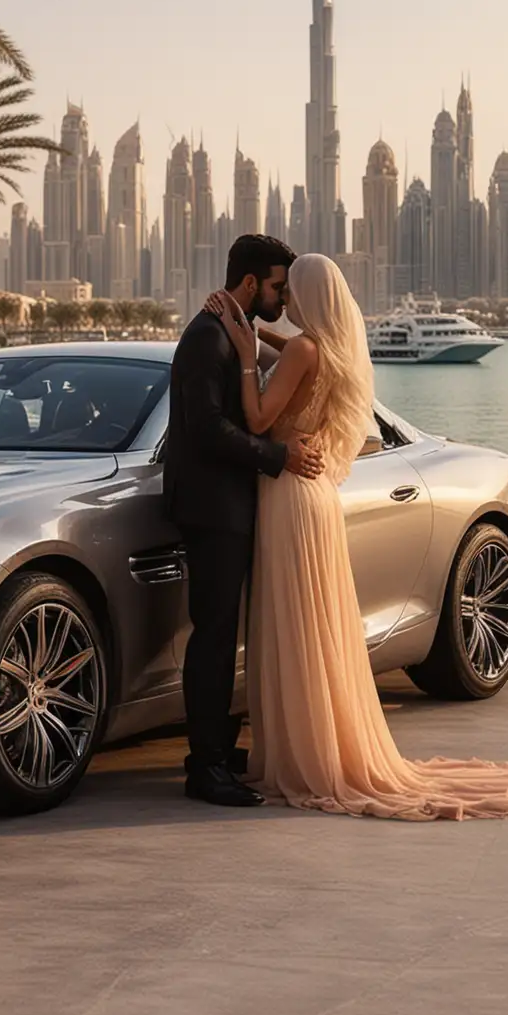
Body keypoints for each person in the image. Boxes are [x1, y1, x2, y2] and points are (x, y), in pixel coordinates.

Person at [206, 253, 508, 821]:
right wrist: (257, 332)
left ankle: (305, 755)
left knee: (294, 623)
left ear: (306, 294)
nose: (286, 297)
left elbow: (255, 421)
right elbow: (299, 359)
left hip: (288, 496)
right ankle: (320, 745)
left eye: (291, 288)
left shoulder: (303, 351)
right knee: (313, 623)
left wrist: (249, 354)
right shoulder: (329, 352)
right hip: (315, 497)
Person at [163, 234, 326, 808]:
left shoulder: (239, 328)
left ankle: (217, 747)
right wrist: (280, 458)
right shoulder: (208, 336)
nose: (283, 298)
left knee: (225, 634)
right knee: (212, 638)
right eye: (278, 286)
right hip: (212, 507)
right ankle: (204, 768)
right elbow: (207, 428)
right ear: (251, 283)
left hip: (237, 503)